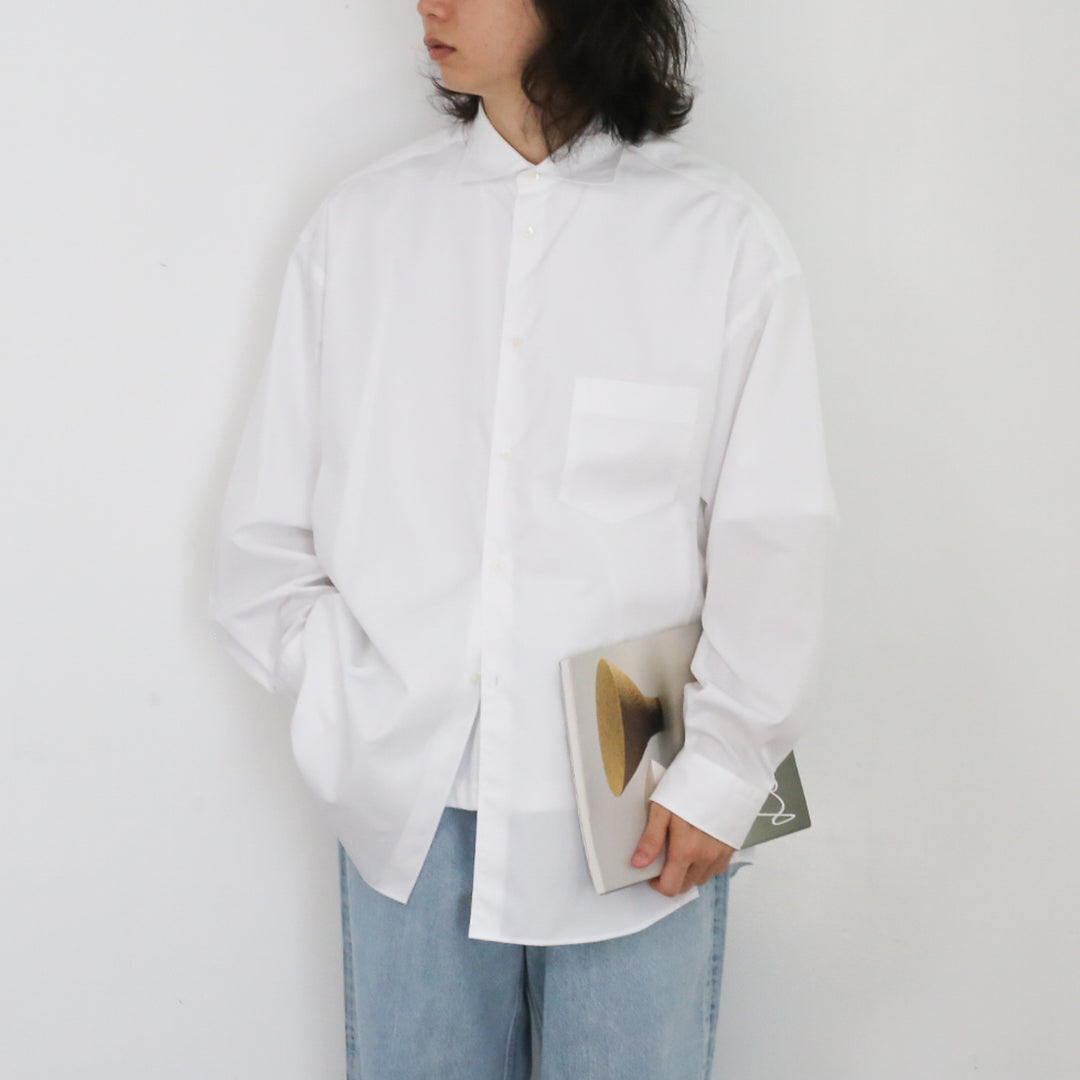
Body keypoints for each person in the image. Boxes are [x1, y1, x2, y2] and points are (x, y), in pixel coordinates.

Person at [208, 1, 836, 1076]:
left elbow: (773, 533)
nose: (430, 3)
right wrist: (353, 705)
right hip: (409, 809)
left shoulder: (716, 240)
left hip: (642, 812)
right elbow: (265, 539)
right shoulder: (361, 232)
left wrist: (724, 772)